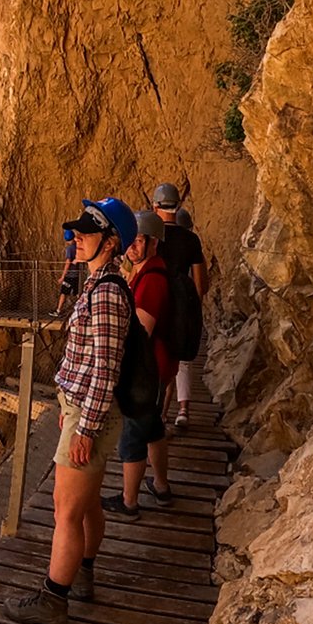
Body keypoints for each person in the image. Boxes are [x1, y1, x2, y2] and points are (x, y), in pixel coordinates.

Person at [4, 197, 135, 624]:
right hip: (81, 409)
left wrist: (86, 428)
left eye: (86, 233)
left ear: (111, 243)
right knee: (86, 502)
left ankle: (53, 600)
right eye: (77, 232)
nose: (76, 238)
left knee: (66, 511)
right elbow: (89, 363)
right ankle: (83, 572)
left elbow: (105, 367)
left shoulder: (109, 294)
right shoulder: (97, 285)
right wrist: (69, 406)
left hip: (90, 415)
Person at [102, 210, 176, 521]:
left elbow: (140, 331)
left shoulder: (152, 280)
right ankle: (160, 485)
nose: (131, 246)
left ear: (154, 242)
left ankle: (129, 502)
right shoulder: (150, 272)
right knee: (153, 428)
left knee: (132, 434)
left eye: (139, 241)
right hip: (159, 366)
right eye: (130, 240)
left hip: (147, 369)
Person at [152, 183, 207, 428]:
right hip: (183, 304)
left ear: (155, 206)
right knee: (180, 360)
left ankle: (158, 415)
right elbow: (200, 283)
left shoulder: (153, 239)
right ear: (178, 206)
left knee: (159, 358)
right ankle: (179, 411)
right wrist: (193, 307)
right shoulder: (191, 240)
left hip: (158, 302)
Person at [55, 230, 80, 315]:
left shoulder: (69, 249)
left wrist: (63, 276)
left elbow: (68, 262)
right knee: (77, 292)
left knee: (64, 292)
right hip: (77, 274)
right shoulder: (78, 246)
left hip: (70, 275)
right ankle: (83, 308)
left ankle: (58, 310)